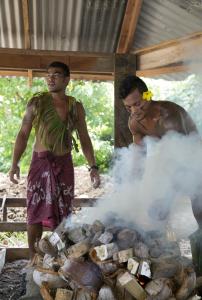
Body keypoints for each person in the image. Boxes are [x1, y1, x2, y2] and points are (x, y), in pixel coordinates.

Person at [9, 61, 100, 260]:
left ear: (67, 79)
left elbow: (84, 138)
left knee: (63, 212)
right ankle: (34, 259)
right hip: (40, 165)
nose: (50, 78)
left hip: (64, 165)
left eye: (56, 74)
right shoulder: (37, 103)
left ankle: (58, 259)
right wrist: (14, 163)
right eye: (48, 74)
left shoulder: (75, 107)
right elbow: (23, 134)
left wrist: (93, 166)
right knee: (35, 210)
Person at [119, 74, 202, 286]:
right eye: (128, 107)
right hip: (175, 166)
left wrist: (166, 198)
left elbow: (181, 163)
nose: (134, 111)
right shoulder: (134, 123)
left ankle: (199, 273)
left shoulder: (169, 116)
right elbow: (138, 159)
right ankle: (172, 274)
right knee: (158, 217)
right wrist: (130, 193)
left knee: (200, 215)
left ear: (148, 95)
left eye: (137, 104)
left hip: (194, 163)